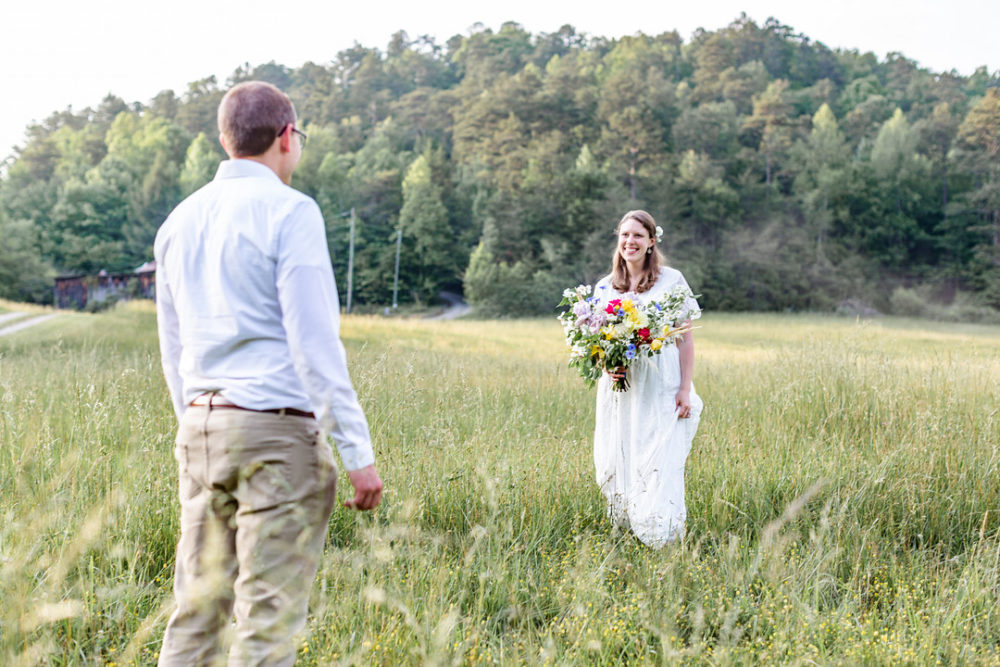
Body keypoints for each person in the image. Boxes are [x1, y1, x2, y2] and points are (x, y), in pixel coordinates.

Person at [154, 80, 383, 666]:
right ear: (287, 137)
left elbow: (173, 344)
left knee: (196, 611)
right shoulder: (291, 210)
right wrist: (356, 451)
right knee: (267, 618)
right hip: (275, 433)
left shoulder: (179, 221)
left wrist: (197, 424)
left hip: (202, 428)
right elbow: (313, 342)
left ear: (225, 139)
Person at [591, 210, 702, 548]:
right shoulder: (604, 287)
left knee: (657, 454)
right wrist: (605, 364)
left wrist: (684, 388)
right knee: (621, 452)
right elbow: (596, 344)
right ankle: (628, 526)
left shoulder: (671, 281)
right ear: (618, 240)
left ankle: (663, 535)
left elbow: (685, 337)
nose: (630, 242)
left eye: (638, 235)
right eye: (625, 235)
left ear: (652, 241)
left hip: (660, 382)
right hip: (622, 388)